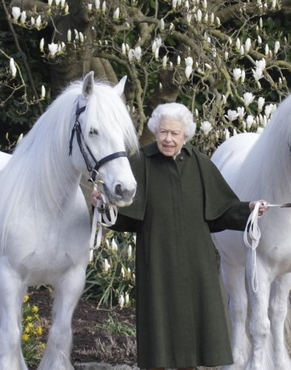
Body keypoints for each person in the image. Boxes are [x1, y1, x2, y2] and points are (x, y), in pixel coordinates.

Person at [100, 102, 268, 370]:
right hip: (156, 260)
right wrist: (104, 205)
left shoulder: (199, 163)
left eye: (174, 133)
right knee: (158, 335)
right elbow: (123, 214)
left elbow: (222, 210)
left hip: (195, 264)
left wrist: (249, 209)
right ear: (155, 131)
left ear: (185, 135)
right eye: (163, 132)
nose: (168, 139)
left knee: (193, 335)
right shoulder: (141, 162)